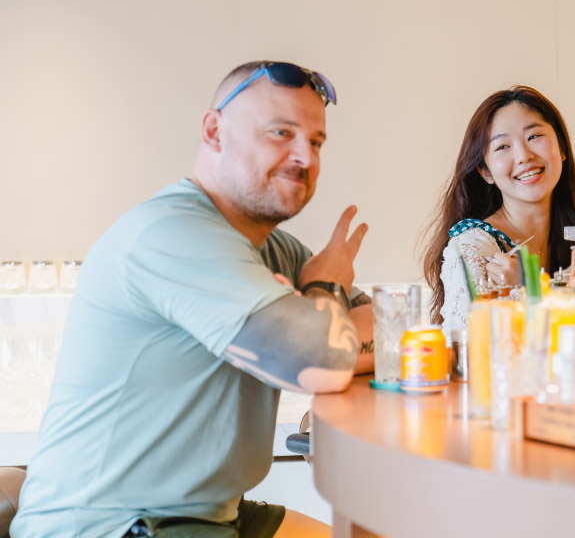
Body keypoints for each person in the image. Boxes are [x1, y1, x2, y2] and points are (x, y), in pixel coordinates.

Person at [12, 61, 374, 538]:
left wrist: (330, 328)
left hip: (206, 510)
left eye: (315, 142)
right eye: (280, 133)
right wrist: (325, 289)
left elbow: (380, 327)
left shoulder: (274, 248)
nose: (303, 157)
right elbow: (319, 362)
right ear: (213, 130)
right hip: (114, 524)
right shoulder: (174, 232)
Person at [423, 86, 575, 330]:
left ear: (562, 148)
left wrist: (530, 286)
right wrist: (526, 293)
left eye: (534, 137)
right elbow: (467, 349)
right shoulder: (473, 247)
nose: (523, 155)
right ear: (486, 171)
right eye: (502, 147)